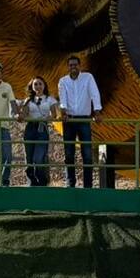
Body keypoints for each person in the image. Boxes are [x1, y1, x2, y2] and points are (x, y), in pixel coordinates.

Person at [57, 55, 101, 188]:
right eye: (71, 65)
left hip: (84, 119)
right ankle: (70, 183)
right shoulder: (63, 81)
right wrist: (63, 111)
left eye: (75, 64)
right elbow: (62, 98)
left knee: (87, 154)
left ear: (79, 66)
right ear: (68, 67)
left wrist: (97, 111)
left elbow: (94, 93)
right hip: (69, 120)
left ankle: (88, 185)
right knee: (69, 153)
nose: (73, 67)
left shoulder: (88, 77)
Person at [19, 76, 57, 186]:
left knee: (39, 158)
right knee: (30, 158)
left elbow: (53, 114)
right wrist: (20, 115)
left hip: (42, 129)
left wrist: (45, 119)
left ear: (44, 85)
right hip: (30, 129)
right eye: (35, 84)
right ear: (32, 86)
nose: (38, 86)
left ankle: (42, 181)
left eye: (40, 84)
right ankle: (32, 181)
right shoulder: (28, 100)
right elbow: (24, 114)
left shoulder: (49, 99)